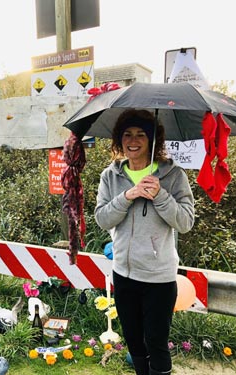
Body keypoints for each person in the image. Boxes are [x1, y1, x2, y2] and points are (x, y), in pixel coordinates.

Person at [94, 109, 195, 375]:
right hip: (124, 274)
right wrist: (127, 196)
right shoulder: (110, 176)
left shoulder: (173, 176)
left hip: (159, 278)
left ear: (152, 140)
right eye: (127, 134)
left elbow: (185, 222)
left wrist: (161, 195)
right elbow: (102, 219)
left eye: (141, 134)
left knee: (156, 343)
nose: (133, 140)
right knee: (135, 342)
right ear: (119, 139)